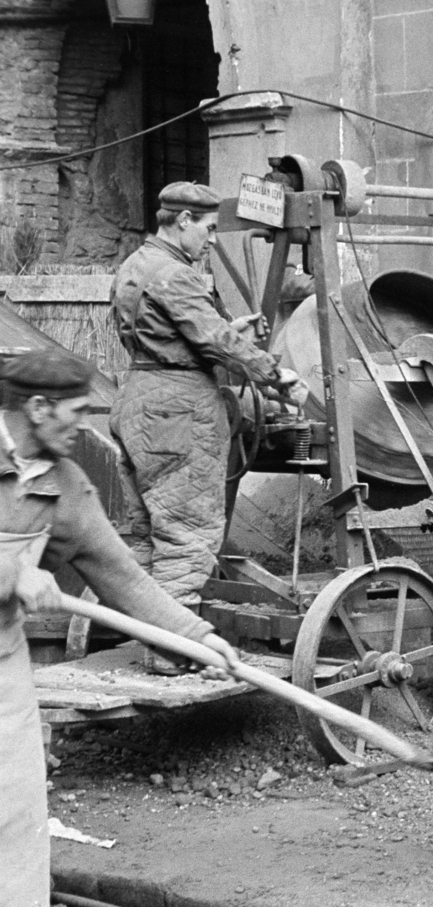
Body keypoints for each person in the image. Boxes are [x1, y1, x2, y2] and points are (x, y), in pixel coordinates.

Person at [0, 350, 244, 907]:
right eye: (75, 412)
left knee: (18, 796)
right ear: (37, 408)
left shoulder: (65, 484)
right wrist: (11, 575)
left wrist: (198, 637)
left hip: (0, 659)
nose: (83, 425)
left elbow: (123, 577)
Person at [109, 181, 310, 612]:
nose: (212, 240)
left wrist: (228, 333)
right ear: (183, 221)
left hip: (138, 399)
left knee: (147, 537)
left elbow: (166, 335)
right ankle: (168, 651)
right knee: (188, 537)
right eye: (209, 229)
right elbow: (213, 341)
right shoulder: (176, 274)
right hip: (177, 412)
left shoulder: (136, 264)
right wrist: (277, 376)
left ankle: (146, 636)